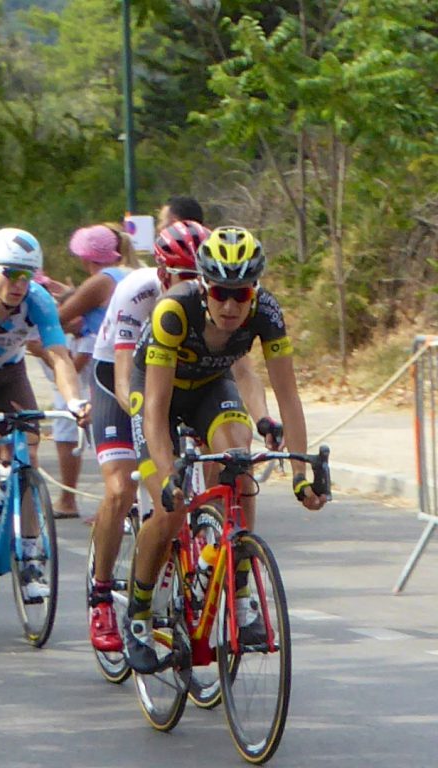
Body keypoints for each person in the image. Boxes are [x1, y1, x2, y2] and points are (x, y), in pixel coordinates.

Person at [122, 226, 327, 673]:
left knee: (240, 462)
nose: (231, 305)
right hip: (159, 394)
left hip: (212, 388)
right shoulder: (174, 311)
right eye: (220, 292)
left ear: (254, 289)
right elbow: (154, 411)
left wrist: (299, 474)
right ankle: (137, 615)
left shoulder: (267, 312)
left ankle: (240, 593)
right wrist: (169, 473)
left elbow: (289, 398)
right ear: (202, 285)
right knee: (170, 507)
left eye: (242, 292)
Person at [0, 227, 91, 600]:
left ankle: (31, 554)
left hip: (9, 371)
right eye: (12, 273)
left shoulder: (38, 299)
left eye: (28, 275)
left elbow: (58, 354)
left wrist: (74, 401)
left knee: (28, 451)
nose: (21, 283)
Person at [82, 220, 208, 651]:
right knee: (120, 486)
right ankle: (101, 594)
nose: (192, 288)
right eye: (183, 278)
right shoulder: (136, 292)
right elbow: (123, 377)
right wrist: (144, 429)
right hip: (117, 380)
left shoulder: (211, 298)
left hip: (170, 380)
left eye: (199, 278)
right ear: (162, 274)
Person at [47, 224, 134, 518]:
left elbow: (61, 317)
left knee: (75, 421)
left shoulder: (100, 281)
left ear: (86, 257)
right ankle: (120, 499)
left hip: (98, 357)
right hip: (125, 354)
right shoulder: (125, 274)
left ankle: (70, 500)